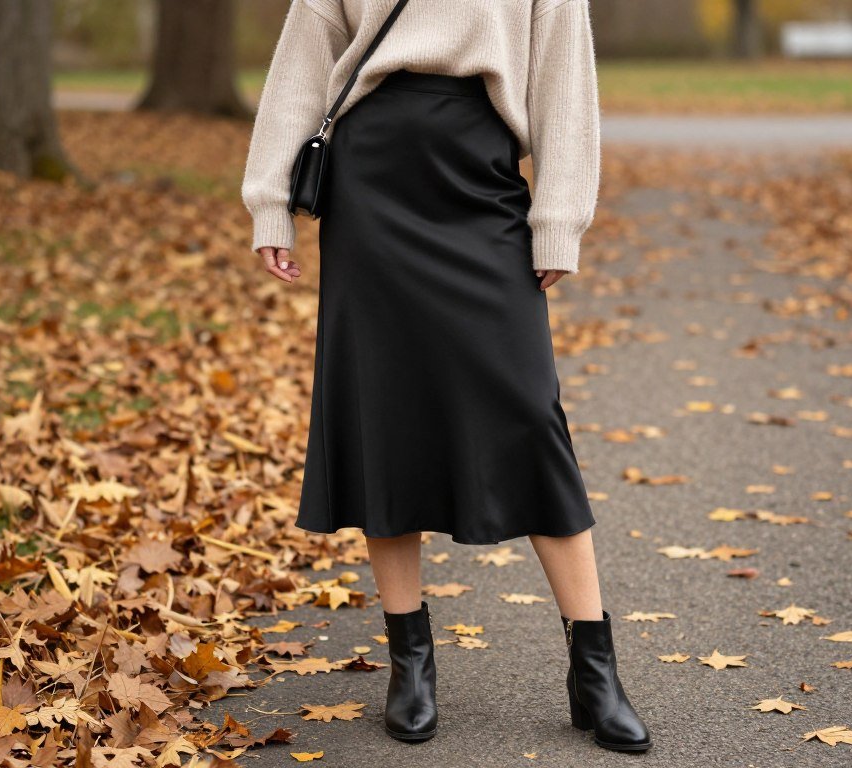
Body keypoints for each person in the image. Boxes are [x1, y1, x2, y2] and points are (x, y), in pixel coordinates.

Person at [240, 0, 651, 752]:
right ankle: (411, 663)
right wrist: (271, 200)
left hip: (479, 175)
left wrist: (559, 214)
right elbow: (307, 54)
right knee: (383, 413)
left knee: (529, 412)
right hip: (369, 189)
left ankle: (595, 668)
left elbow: (563, 73)